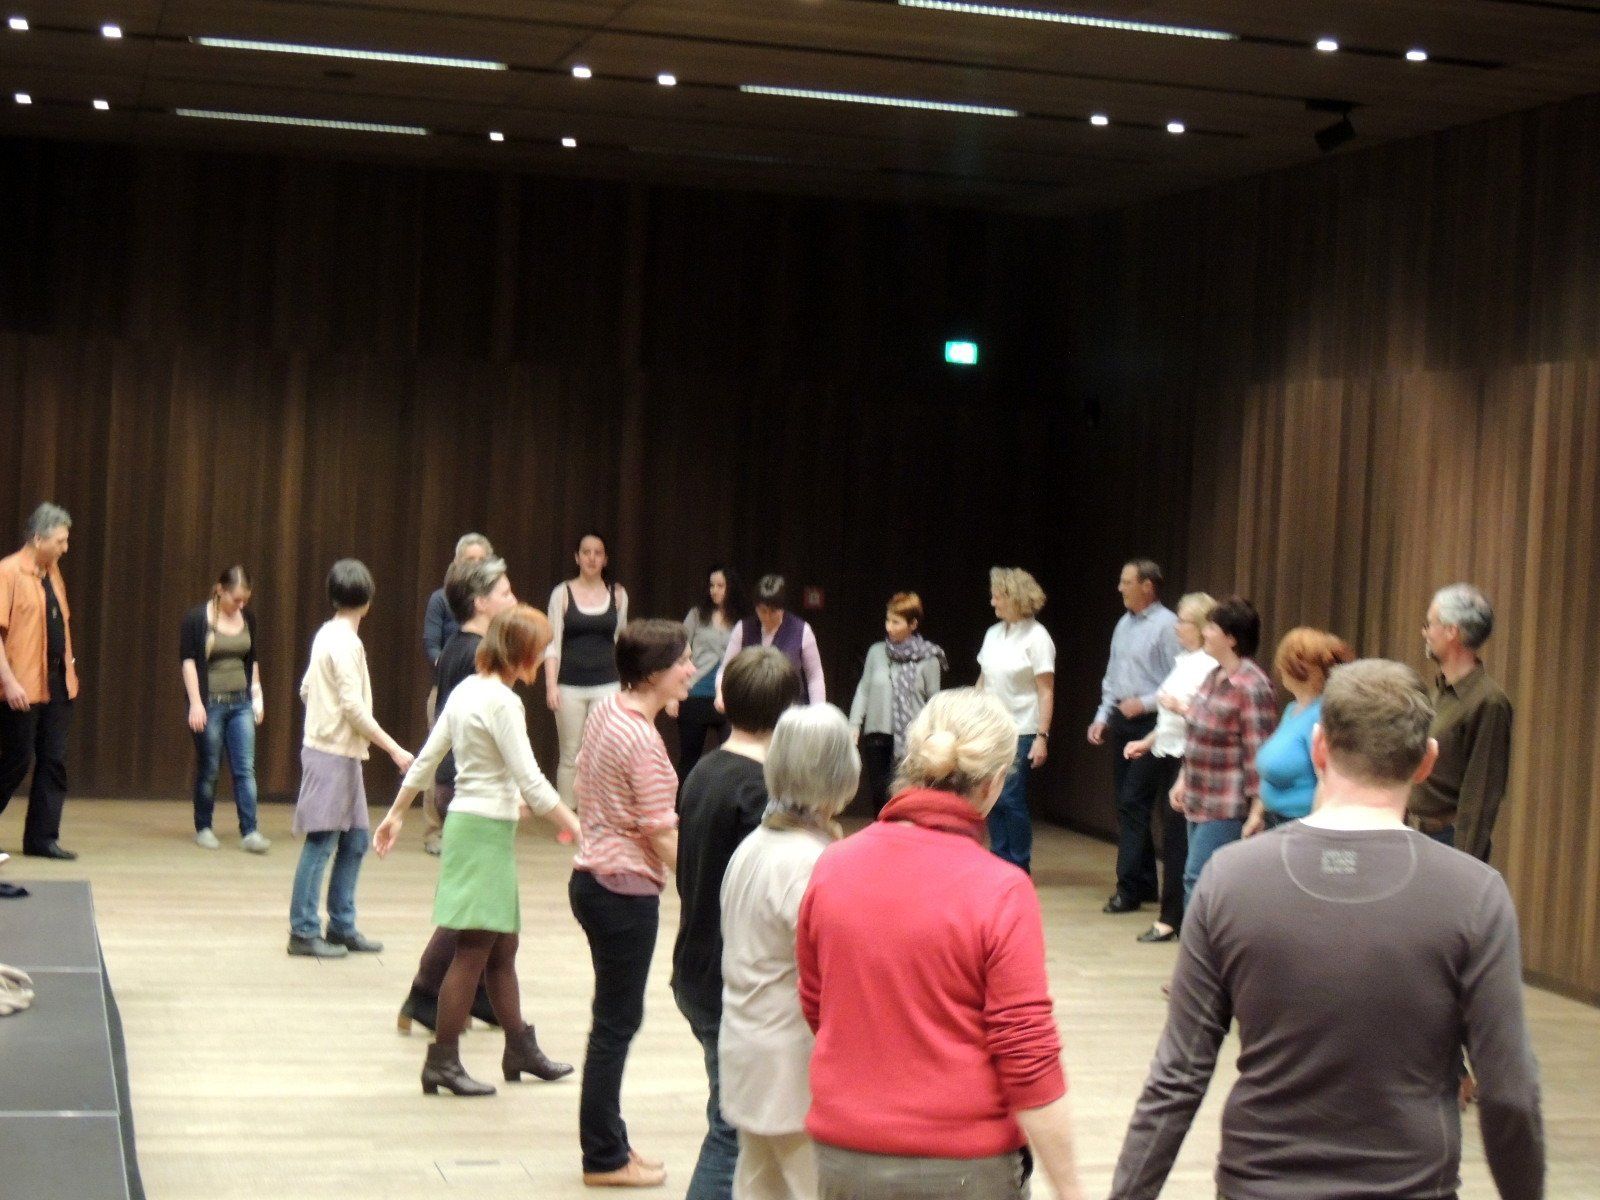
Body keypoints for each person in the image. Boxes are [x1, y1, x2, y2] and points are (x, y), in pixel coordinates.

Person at [1109, 659, 1544, 1200]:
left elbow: (1177, 1078)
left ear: (1318, 748)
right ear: (1427, 762)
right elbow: (1510, 1091)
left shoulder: (1229, 878)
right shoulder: (1475, 894)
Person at [797, 688, 1085, 1200]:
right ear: (995, 783)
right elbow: (1027, 1056)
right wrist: (1071, 1189)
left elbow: (819, 1005)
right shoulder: (1002, 889)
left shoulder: (832, 866)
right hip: (964, 1168)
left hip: (844, 1158)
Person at [374, 605, 582, 1096]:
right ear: (522, 654)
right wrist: (578, 826)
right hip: (484, 833)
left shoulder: (468, 689)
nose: (543, 658)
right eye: (540, 650)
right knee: (471, 953)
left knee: (502, 949)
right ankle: (442, 1061)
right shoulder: (503, 703)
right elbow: (532, 782)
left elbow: (428, 758)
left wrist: (397, 812)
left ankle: (519, 1046)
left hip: (472, 827)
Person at [569, 619, 695, 1188]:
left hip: (594, 879)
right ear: (652, 674)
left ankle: (612, 1141)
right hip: (622, 889)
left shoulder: (607, 711)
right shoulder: (641, 739)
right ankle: (603, 1158)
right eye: (682, 661)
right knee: (615, 1025)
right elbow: (661, 833)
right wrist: (704, 887)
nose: (691, 669)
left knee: (613, 1021)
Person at [671, 647, 801, 1200]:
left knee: (731, 1120)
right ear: (789, 711)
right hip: (730, 980)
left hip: (694, 966)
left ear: (724, 700)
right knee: (731, 1129)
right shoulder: (759, 792)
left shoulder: (704, 770)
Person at [719, 704, 858, 1200]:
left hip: (747, 1053)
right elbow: (840, 974)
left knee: (758, 1186)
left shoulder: (754, 848)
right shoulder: (811, 863)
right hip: (790, 1069)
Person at [395, 556, 520, 1033]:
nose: (513, 599)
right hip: (468, 787)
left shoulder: (458, 646)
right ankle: (425, 994)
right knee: (469, 909)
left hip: (458, 780)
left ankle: (483, 995)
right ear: (481, 602)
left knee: (487, 908)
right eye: (505, 593)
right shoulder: (477, 653)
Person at [286, 559, 414, 959]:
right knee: (322, 842)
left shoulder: (326, 634)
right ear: (368, 602)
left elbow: (307, 689)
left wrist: (323, 719)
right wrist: (394, 748)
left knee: (356, 840)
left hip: (338, 753)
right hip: (331, 754)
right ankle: (303, 931)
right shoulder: (346, 643)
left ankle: (341, 925)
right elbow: (353, 707)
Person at [1121, 592, 1217, 943]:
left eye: (1183, 622)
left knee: (1177, 839)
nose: (1177, 627)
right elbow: (1169, 719)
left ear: (1201, 626)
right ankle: (1172, 912)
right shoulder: (1185, 660)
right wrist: (1147, 741)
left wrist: (1179, 706)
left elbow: (1205, 717)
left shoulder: (1208, 666)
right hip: (1165, 748)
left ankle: (1171, 917)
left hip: (1188, 756)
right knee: (1164, 828)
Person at [1170, 597, 1277, 905]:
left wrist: (1257, 811)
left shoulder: (1252, 686)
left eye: (1211, 627)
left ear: (1231, 638)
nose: (1204, 632)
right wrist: (1182, 780)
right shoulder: (1213, 676)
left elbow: (1259, 753)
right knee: (1198, 880)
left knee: (1200, 880)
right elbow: (1195, 735)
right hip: (1198, 798)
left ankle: (1199, 938)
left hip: (1227, 805)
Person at [1088, 559, 1180, 914]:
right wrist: (1103, 715)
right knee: (1127, 806)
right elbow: (1112, 676)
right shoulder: (1123, 624)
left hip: (1154, 725)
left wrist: (1144, 703)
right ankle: (1144, 884)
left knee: (1133, 802)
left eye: (1126, 582)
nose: (1120, 588)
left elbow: (1180, 680)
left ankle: (1127, 889)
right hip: (1123, 722)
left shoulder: (1167, 625)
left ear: (1147, 586)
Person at [1409, 583, 1513, 862]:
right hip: (1417, 834)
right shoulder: (1438, 692)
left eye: (1430, 624)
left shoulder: (1489, 701)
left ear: (1451, 631)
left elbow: (1481, 793)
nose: (1425, 633)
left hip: (1448, 842)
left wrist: (1465, 864)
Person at [0, 503, 80, 861]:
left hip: (58, 682)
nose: (65, 548)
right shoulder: (8, 572)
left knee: (53, 760)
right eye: (60, 541)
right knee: (17, 759)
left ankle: (42, 839)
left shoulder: (52, 573)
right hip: (21, 685)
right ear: (37, 538)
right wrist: (9, 681)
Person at [179, 565, 270, 853]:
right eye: (236, 599)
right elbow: (188, 662)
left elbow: (252, 659)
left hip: (241, 703)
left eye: (245, 600)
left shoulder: (248, 619)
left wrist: (256, 695)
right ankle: (204, 827)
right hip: (211, 704)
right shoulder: (197, 619)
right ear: (220, 590)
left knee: (245, 768)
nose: (241, 605)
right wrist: (196, 703)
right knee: (209, 768)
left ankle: (250, 830)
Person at [975, 566, 1054, 873]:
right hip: (991, 728)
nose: (992, 602)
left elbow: (1046, 690)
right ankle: (999, 859)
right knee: (992, 797)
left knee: (1010, 796)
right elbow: (984, 679)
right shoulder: (993, 634)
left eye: (998, 597)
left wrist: (1042, 737)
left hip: (1021, 729)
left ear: (1016, 598)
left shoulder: (1038, 637)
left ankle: (1018, 864)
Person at [546, 532, 630, 809]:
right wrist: (551, 685)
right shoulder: (562, 593)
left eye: (598, 553)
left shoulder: (618, 594)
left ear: (605, 559)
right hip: (569, 685)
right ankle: (568, 818)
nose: (592, 558)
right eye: (586, 552)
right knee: (571, 755)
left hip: (608, 684)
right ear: (577, 557)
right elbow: (551, 644)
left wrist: (626, 683)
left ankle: (596, 816)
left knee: (601, 754)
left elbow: (622, 641)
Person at [421, 533, 493, 853]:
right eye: (469, 560)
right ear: (456, 563)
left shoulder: (494, 602)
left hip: (483, 690)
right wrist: (453, 663)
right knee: (436, 758)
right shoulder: (441, 599)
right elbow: (431, 643)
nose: (475, 566)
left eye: (481, 560)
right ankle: (433, 831)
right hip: (447, 688)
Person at [847, 591, 946, 815]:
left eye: (896, 622)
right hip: (877, 734)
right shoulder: (876, 652)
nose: (889, 627)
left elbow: (934, 702)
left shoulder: (929, 658)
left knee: (906, 796)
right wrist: (854, 723)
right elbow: (863, 689)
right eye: (888, 620)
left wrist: (933, 735)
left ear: (913, 624)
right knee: (879, 794)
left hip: (912, 738)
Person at [1252, 626, 1354, 832]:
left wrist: (1313, 834)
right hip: (1275, 821)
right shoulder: (1292, 710)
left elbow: (1327, 781)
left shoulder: (1321, 715)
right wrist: (1257, 813)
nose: (1279, 669)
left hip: (1299, 823)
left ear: (1299, 669)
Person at [678, 565, 747, 782]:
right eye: (711, 585)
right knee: (689, 759)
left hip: (728, 697)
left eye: (720, 586)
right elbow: (678, 650)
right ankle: (684, 802)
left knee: (733, 759)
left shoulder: (742, 620)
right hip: (695, 693)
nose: (714, 590)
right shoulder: (697, 614)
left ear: (731, 588)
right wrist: (673, 696)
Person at [717, 575, 824, 706]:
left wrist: (818, 710)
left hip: (791, 708)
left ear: (782, 608)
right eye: (763, 610)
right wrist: (720, 694)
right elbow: (726, 668)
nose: (767, 616)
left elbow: (815, 676)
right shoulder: (743, 628)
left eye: (773, 611)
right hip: (751, 705)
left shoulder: (802, 630)